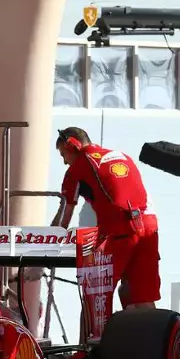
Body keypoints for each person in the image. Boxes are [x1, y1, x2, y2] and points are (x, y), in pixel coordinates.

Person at [51, 127, 160, 309]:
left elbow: (64, 216)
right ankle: (152, 336)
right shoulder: (121, 155)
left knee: (95, 296)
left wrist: (47, 241)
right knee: (141, 296)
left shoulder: (78, 168)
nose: (64, 162)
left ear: (73, 145)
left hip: (119, 229)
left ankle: (94, 338)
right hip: (148, 225)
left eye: (63, 155)